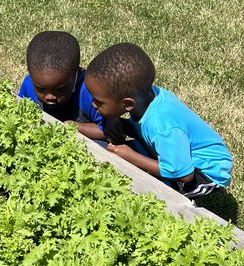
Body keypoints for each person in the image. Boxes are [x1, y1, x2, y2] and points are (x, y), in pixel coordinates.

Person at [85, 42, 233, 199]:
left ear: (127, 104)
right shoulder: (146, 99)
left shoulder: (162, 126)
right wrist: (118, 123)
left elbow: (184, 175)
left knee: (152, 193)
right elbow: (143, 129)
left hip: (204, 171)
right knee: (112, 156)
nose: (93, 105)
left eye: (98, 102)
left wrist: (131, 157)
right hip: (171, 151)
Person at [18, 31, 106, 142]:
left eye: (59, 89)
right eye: (41, 89)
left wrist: (75, 126)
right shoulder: (28, 84)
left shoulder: (89, 92)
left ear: (76, 74)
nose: (50, 97)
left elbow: (108, 131)